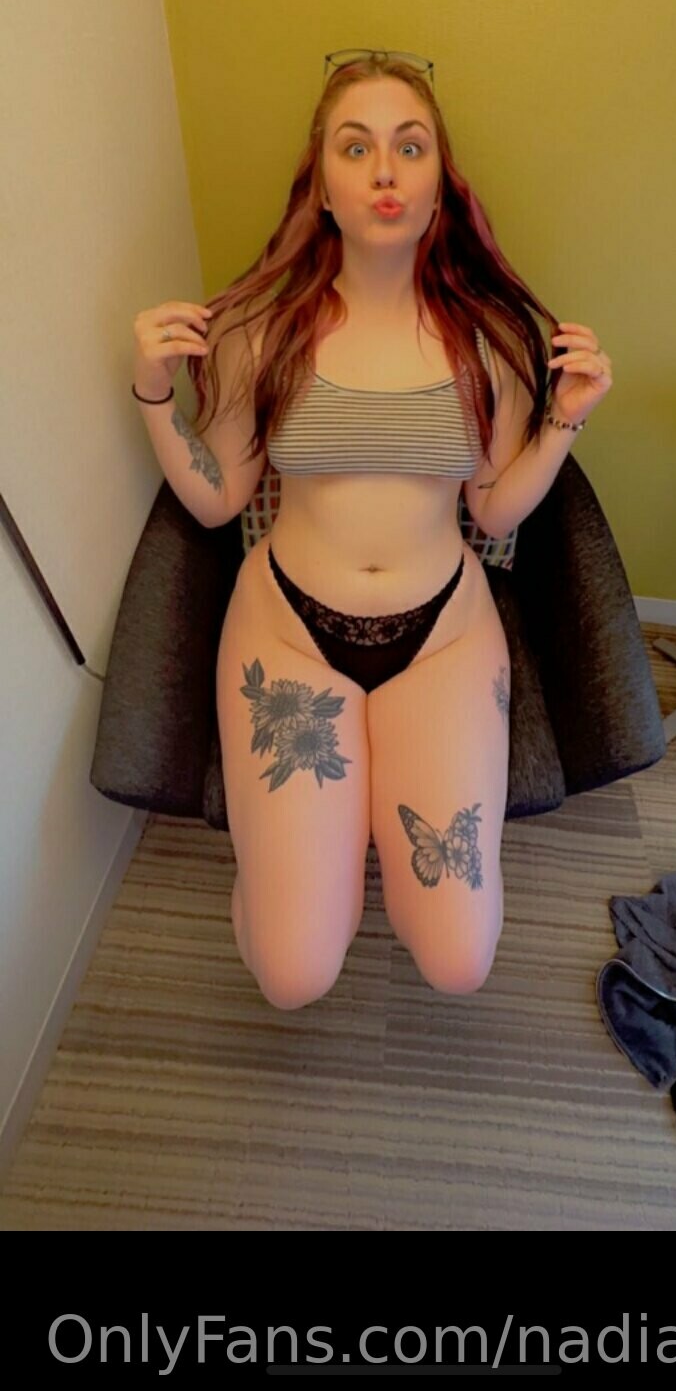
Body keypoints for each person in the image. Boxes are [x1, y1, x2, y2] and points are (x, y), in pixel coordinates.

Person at [132, 50, 613, 1010]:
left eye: (410, 147)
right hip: (287, 634)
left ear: (439, 185)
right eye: (356, 148)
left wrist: (565, 419)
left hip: (442, 638)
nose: (385, 170)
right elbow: (220, 501)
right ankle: (294, 868)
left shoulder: (489, 338)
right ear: (321, 187)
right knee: (293, 975)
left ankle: (333, 836)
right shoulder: (260, 330)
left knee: (459, 962)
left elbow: (494, 508)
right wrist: (153, 394)